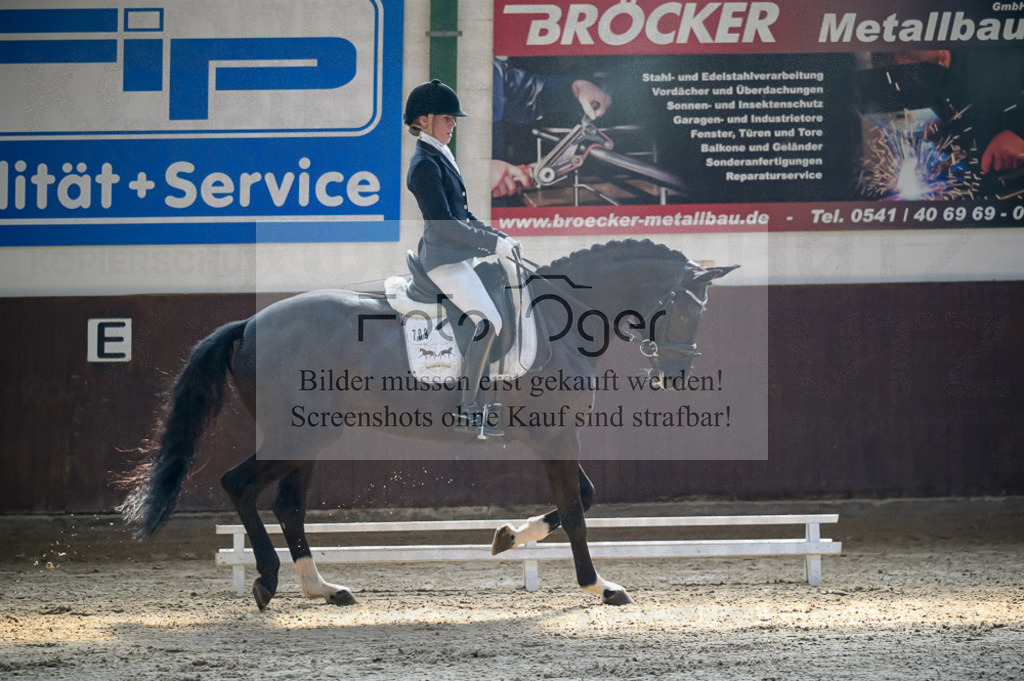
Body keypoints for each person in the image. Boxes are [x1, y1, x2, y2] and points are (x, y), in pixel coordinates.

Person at [404, 79, 521, 438]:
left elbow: (464, 216)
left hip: (457, 254)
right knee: (488, 321)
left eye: (453, 119)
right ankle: (470, 410)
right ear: (424, 120)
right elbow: (445, 226)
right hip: (444, 258)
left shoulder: (440, 154)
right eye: (447, 118)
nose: (454, 124)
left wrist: (497, 237)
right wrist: (489, 246)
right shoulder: (425, 164)